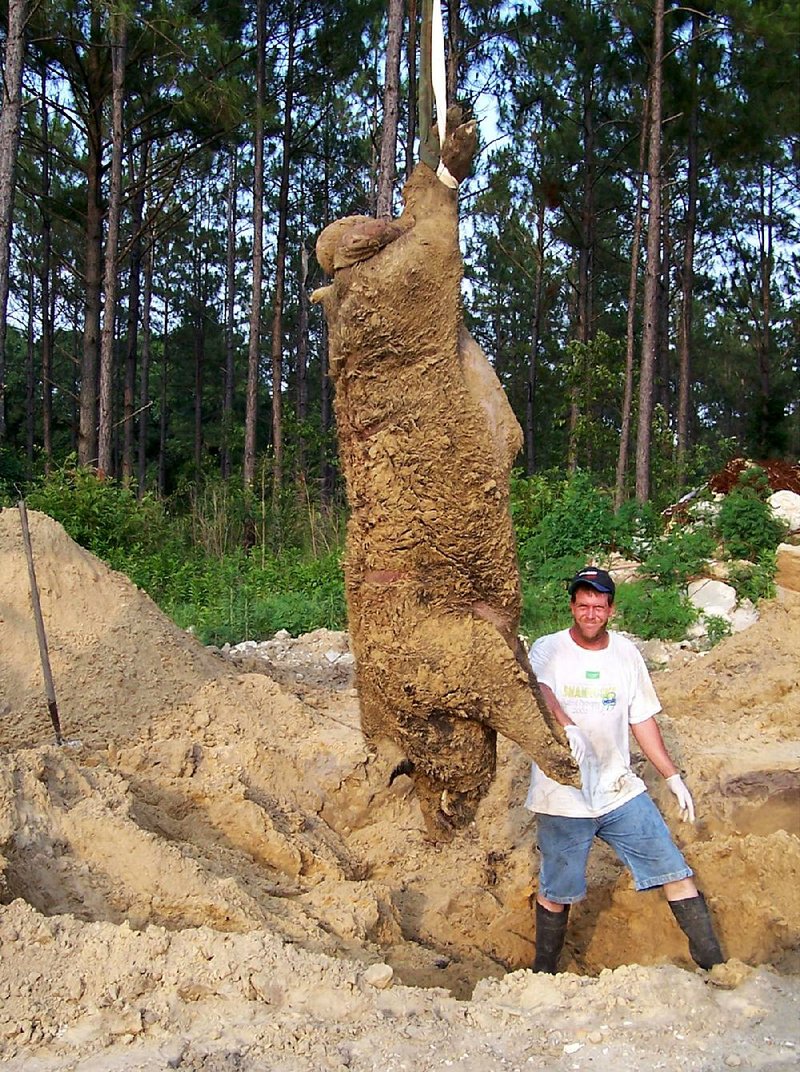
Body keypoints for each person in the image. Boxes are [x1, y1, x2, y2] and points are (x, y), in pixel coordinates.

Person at [526, 565, 724, 974]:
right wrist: (567, 725)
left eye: (599, 606)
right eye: (584, 606)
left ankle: (716, 965)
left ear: (611, 610)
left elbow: (643, 719)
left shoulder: (626, 655)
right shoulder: (548, 648)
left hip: (619, 789)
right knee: (557, 891)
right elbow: (539, 689)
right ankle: (542, 974)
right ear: (572, 607)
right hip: (562, 793)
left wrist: (671, 775)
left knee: (674, 869)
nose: (591, 613)